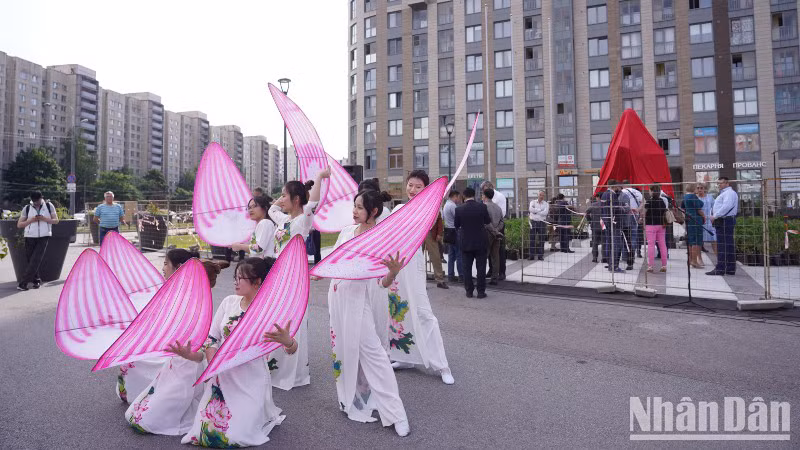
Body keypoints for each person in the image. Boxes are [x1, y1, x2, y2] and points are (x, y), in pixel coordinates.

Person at [175, 258, 291, 447]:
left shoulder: (269, 312)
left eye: (241, 278)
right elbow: (212, 338)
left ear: (258, 281)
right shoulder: (229, 302)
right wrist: (213, 366)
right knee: (203, 433)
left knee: (236, 436)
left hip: (251, 378)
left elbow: (291, 350)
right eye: (235, 277)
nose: (235, 282)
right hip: (222, 375)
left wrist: (288, 341)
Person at [328, 190, 410, 436]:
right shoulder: (346, 232)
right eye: (354, 205)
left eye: (360, 207)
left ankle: (397, 414)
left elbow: (381, 284)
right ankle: (348, 399)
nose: (354, 211)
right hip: (336, 295)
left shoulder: (380, 240)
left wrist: (393, 273)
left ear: (373, 212)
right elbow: (334, 261)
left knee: (375, 355)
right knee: (342, 349)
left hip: (358, 300)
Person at [124, 249, 226, 436]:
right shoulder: (179, 294)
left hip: (187, 363)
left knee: (143, 420)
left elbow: (201, 346)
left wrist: (188, 354)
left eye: (165, 263)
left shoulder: (195, 301)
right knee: (136, 415)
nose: (162, 268)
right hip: (174, 359)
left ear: (178, 268)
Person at [388, 170, 455, 385]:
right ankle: (404, 357)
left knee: (424, 314)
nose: (412, 189)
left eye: (418, 186)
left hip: (412, 265)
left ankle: (441, 365)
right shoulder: (398, 209)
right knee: (398, 312)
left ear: (425, 189)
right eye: (410, 185)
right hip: (396, 267)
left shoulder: (429, 211)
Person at [267, 169, 328, 390]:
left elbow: (313, 203)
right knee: (276, 317)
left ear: (297, 200)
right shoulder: (282, 219)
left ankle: (295, 371)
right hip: (276, 276)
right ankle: (275, 364)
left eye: (285, 195)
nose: (281, 199)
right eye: (281, 195)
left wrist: (319, 178)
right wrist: (284, 197)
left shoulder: (303, 221)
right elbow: (272, 208)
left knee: (293, 320)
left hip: (293, 277)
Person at [16, 191, 58, 291]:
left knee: (35, 260)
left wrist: (44, 219)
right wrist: (31, 220)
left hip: (44, 236)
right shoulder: (27, 208)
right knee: (32, 260)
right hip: (29, 237)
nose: (36, 203)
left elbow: (56, 220)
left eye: (37, 201)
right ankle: (37, 280)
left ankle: (23, 283)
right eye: (34, 201)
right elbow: (19, 225)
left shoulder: (49, 206)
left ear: (41, 198)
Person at [455, 187, 490, 298]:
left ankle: (469, 291)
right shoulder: (482, 207)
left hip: (465, 242)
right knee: (481, 267)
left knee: (466, 268)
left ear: (464, 196)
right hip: (480, 241)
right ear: (474, 195)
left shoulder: (459, 209)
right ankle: (481, 292)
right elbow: (487, 221)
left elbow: (456, 225)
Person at [707, 177, 739, 276]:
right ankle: (730, 268)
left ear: (727, 183)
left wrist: (715, 216)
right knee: (728, 245)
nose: (719, 185)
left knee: (722, 245)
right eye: (718, 184)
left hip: (724, 220)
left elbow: (726, 206)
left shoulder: (728, 193)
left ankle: (720, 268)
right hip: (725, 220)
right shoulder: (726, 193)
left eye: (721, 183)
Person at [231, 195, 276, 259]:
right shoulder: (262, 224)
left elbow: (259, 249)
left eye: (254, 206)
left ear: (265, 208)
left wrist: (240, 246)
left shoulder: (265, 223)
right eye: (249, 208)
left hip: (264, 265)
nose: (250, 210)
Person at [481, 181, 507, 280]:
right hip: (494, 228)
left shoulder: (500, 196)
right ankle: (492, 272)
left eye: (484, 190)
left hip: (493, 229)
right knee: (493, 254)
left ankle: (501, 272)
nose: (482, 193)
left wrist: (495, 230)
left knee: (499, 251)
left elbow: (502, 214)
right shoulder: (488, 202)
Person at [600, 181, 625, 272]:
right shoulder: (612, 195)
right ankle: (614, 266)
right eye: (618, 186)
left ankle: (610, 264)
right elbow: (615, 209)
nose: (619, 188)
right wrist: (623, 208)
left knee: (609, 243)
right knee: (616, 244)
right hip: (614, 223)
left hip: (606, 222)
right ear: (615, 186)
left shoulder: (604, 194)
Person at [644, 184, 669, 273]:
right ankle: (664, 265)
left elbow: (644, 213)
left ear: (651, 191)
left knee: (651, 245)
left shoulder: (648, 202)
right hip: (661, 225)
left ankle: (650, 266)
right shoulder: (662, 201)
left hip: (650, 225)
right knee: (662, 244)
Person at [682, 184, 706, 269]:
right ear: (693, 189)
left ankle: (690, 259)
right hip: (696, 219)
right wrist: (704, 216)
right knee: (696, 240)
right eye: (697, 188)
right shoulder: (693, 196)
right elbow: (699, 209)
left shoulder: (685, 197)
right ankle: (695, 261)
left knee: (691, 240)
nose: (698, 190)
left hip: (689, 219)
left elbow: (683, 208)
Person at [442, 190, 463, 282]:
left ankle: (450, 275)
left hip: (448, 231)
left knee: (451, 255)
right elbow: (458, 218)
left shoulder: (446, 205)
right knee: (459, 254)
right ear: (454, 196)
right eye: (458, 197)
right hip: (454, 231)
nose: (458, 199)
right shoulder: (453, 206)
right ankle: (461, 275)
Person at [424, 208, 448, 289]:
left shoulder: (434, 203)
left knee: (436, 257)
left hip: (430, 232)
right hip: (418, 232)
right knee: (417, 258)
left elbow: (439, 219)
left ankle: (440, 280)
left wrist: (439, 233)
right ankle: (419, 281)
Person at [528, 190, 549, 261]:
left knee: (542, 240)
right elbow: (531, 209)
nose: (541, 196)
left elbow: (545, 213)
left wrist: (536, 211)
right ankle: (531, 255)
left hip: (542, 222)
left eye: (543, 195)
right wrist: (540, 210)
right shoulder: (532, 202)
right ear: (538, 195)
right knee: (532, 239)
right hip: (533, 222)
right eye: (540, 195)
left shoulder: (546, 204)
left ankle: (540, 256)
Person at [697, 184, 716, 254]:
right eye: (698, 188)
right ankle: (699, 259)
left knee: (714, 239)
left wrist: (714, 216)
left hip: (709, 221)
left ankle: (717, 257)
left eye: (701, 188)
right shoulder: (696, 198)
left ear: (704, 189)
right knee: (699, 241)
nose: (699, 190)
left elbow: (715, 207)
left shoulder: (710, 197)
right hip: (699, 221)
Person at [585, 196, 603, 263]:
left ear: (598, 198)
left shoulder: (593, 205)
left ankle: (595, 257)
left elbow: (586, 213)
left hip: (595, 226)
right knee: (604, 242)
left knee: (595, 242)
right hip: (604, 226)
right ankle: (604, 258)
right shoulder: (606, 205)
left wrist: (590, 220)